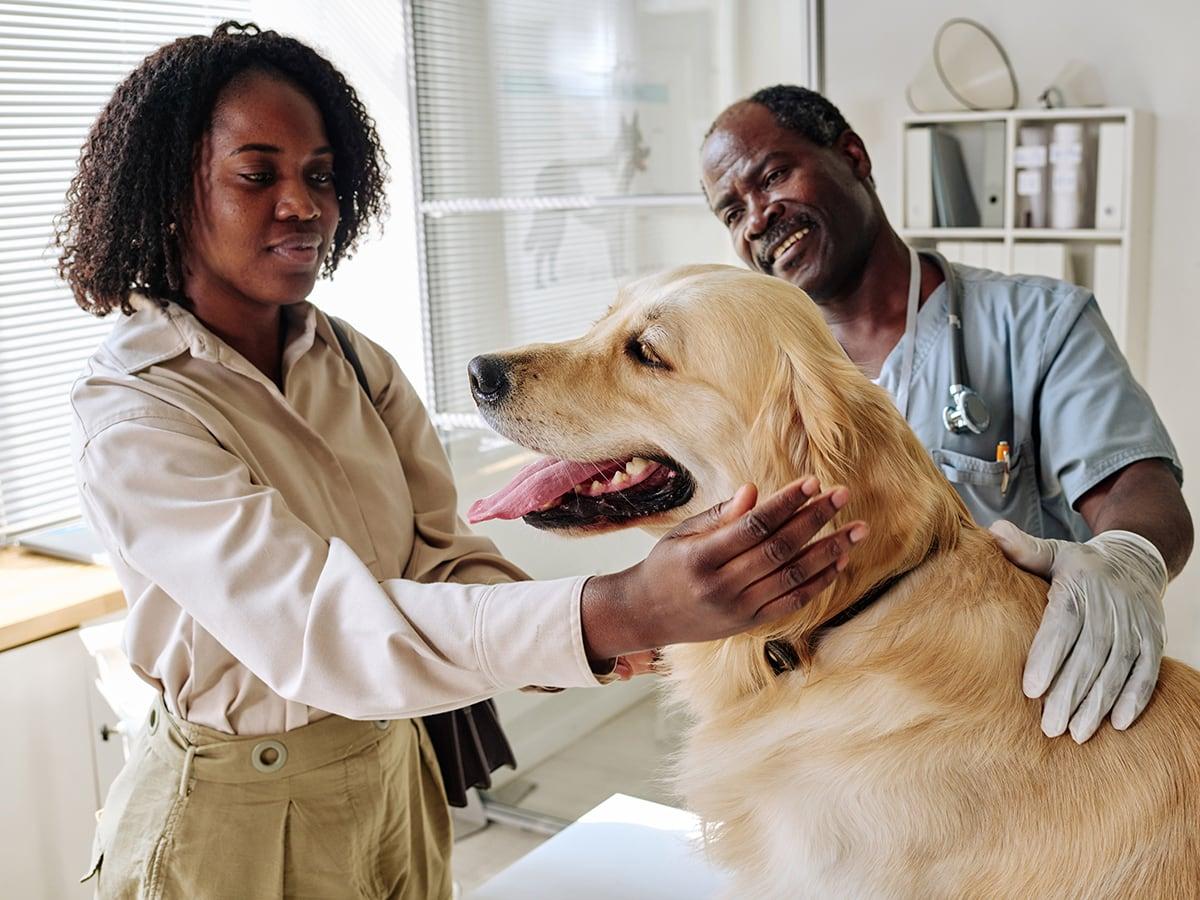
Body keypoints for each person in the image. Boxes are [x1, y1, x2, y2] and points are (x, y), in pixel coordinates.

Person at [59, 28, 867, 899]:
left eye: (322, 175)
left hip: (393, 776)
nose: (303, 205)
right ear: (171, 193)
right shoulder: (137, 413)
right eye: (259, 175)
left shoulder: (355, 364)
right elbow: (316, 630)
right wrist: (611, 611)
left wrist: (584, 637)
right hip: (230, 817)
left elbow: (439, 560)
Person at [700, 85, 1193, 745]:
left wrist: (1126, 556)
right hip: (839, 726)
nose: (757, 218)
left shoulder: (1038, 324)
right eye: (732, 211)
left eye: (773, 176)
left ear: (853, 156)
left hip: (1013, 714)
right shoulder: (760, 381)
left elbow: (1137, 487)